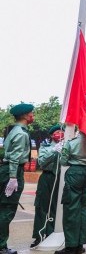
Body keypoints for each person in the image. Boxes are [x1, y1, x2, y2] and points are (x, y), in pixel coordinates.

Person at [54, 127, 86, 254]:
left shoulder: (71, 143)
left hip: (75, 173)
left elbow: (63, 162)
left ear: (79, 129)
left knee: (71, 209)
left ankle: (71, 246)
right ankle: (79, 245)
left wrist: (62, 151)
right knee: (84, 209)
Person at [0, 103, 33, 254]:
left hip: (6, 170)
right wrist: (13, 178)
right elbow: (14, 158)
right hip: (12, 172)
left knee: (3, 208)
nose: (33, 116)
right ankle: (1, 246)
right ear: (25, 116)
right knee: (7, 210)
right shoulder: (21, 133)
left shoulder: (13, 131)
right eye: (31, 113)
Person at [31, 124, 64, 248]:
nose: (60, 134)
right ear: (51, 135)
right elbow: (42, 162)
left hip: (60, 178)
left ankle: (51, 235)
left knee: (56, 208)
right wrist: (54, 150)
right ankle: (38, 236)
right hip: (47, 177)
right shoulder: (45, 147)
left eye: (62, 132)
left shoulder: (66, 147)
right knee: (41, 207)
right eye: (57, 132)